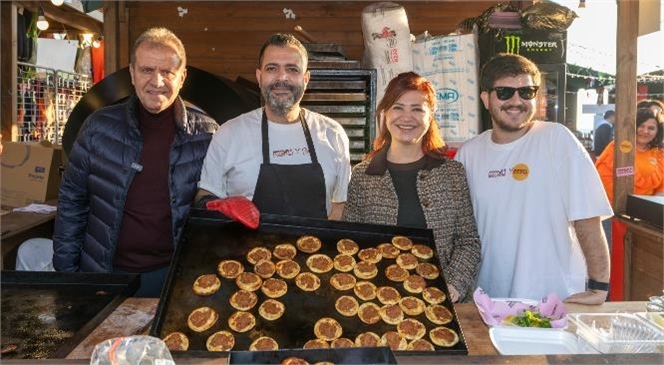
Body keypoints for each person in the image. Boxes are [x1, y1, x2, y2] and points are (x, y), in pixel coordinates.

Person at [47, 27, 218, 297]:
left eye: (167, 72)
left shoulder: (207, 134)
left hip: (174, 278)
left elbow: (214, 212)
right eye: (147, 70)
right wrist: (68, 273)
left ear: (182, 77)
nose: (156, 81)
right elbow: (72, 200)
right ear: (132, 73)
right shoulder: (98, 127)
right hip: (104, 274)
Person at [454, 53, 612, 304]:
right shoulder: (468, 153)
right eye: (505, 92)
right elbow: (460, 231)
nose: (516, 101)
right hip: (487, 300)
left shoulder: (556, 139)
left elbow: (588, 217)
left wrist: (599, 286)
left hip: (552, 300)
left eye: (526, 92)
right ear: (486, 99)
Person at [342, 72, 481, 303]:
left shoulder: (452, 173)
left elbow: (468, 241)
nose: (407, 117)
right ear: (385, 114)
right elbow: (350, 242)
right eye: (398, 107)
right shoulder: (362, 176)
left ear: (430, 116)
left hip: (440, 299)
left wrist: (453, 285)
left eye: (417, 109)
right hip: (377, 301)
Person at [196, 33, 350, 219]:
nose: (282, 78)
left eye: (292, 69)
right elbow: (204, 198)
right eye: (272, 68)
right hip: (247, 247)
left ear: (306, 79)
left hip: (315, 247)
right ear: (259, 77)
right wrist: (219, 207)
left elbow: (338, 208)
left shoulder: (333, 134)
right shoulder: (229, 134)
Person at [596, 107, 664, 208]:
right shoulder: (617, 147)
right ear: (632, 126)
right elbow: (603, 180)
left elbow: (661, 189)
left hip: (647, 214)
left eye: (651, 128)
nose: (645, 131)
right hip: (613, 211)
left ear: (657, 131)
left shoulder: (659, 154)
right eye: (641, 126)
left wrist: (648, 209)